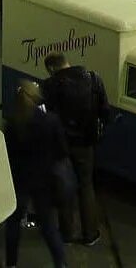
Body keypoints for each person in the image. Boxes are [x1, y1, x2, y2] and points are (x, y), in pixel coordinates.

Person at [42, 52, 109, 246]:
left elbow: (45, 113)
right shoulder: (94, 79)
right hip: (85, 144)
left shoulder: (50, 85)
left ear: (52, 68)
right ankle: (90, 234)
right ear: (67, 63)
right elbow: (105, 111)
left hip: (61, 145)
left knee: (64, 186)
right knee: (86, 186)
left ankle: (66, 233)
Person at [3, 80, 68, 268]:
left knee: (14, 223)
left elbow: (8, 153)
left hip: (19, 180)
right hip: (44, 181)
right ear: (36, 98)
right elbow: (62, 151)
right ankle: (60, 264)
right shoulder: (51, 121)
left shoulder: (13, 123)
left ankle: (11, 264)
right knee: (48, 225)